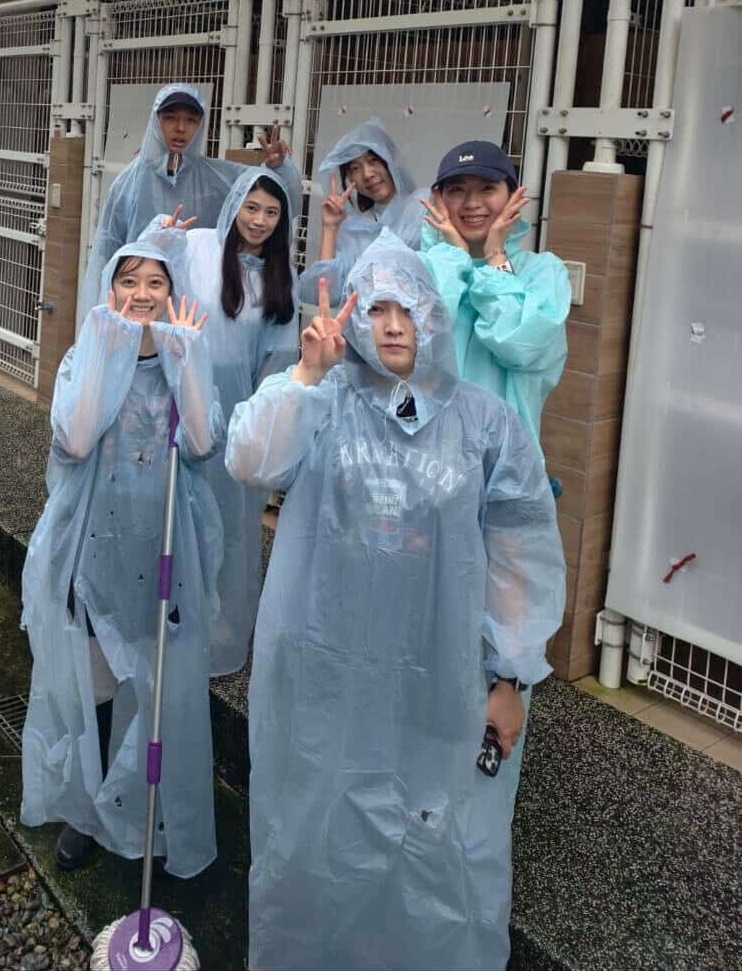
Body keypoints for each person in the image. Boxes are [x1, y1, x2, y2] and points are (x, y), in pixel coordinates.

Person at [226, 234, 565, 971]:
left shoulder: (484, 423)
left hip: (437, 678)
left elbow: (519, 556)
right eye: (376, 308)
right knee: (317, 826)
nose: (392, 324)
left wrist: (510, 677)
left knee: (435, 839)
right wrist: (305, 374)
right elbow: (249, 459)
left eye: (407, 308)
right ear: (354, 317)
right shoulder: (323, 401)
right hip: (325, 673)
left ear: (433, 317)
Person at [20, 239, 225, 879]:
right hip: (95, 552)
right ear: (109, 290)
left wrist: (186, 361)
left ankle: (144, 809)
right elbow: (77, 439)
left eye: (155, 283)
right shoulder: (86, 354)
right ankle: (87, 811)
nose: (141, 294)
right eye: (128, 281)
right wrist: (105, 351)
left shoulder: (184, 356)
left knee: (157, 685)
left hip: (164, 552)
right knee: (97, 687)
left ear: (173, 293)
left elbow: (203, 443)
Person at [146, 166, 300, 676]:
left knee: (231, 524)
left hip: (238, 413)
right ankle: (165, 617)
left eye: (271, 212)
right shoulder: (197, 247)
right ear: (234, 205)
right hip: (180, 399)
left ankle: (219, 625)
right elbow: (147, 278)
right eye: (251, 207)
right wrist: (159, 237)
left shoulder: (280, 275)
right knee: (175, 509)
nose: (259, 220)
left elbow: (279, 358)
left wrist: (261, 424)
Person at [80, 82, 303, 316]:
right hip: (141, 305)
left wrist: (278, 167)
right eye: (170, 118)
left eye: (191, 120)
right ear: (156, 121)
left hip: (197, 309)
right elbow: (105, 254)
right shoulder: (128, 184)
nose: (180, 128)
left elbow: (274, 196)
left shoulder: (216, 179)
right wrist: (100, 318)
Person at [419, 140, 570, 456]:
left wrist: (495, 257)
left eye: (487, 188)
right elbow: (421, 341)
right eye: (457, 190)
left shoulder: (543, 272)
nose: (472, 203)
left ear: (513, 197)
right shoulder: (416, 268)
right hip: (421, 459)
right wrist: (453, 256)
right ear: (438, 199)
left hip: (503, 464)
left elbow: (520, 345)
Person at [299, 115, 427, 305]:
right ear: (349, 179)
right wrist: (330, 228)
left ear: (390, 161)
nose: (367, 174)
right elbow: (324, 293)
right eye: (354, 168)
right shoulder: (355, 233)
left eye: (373, 160)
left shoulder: (425, 207)